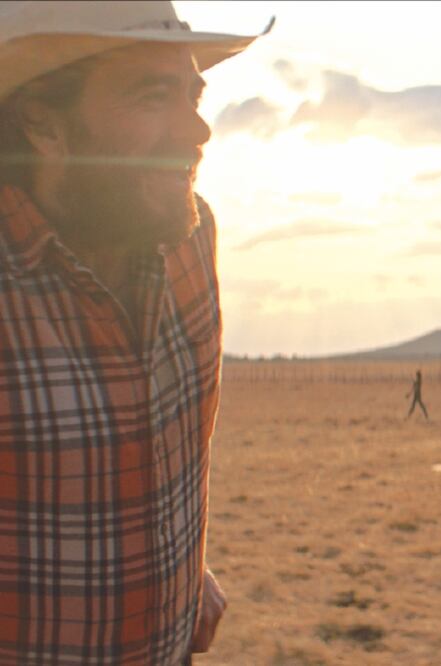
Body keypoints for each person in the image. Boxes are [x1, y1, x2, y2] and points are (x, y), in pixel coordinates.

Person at [0, 2, 270, 663]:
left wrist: (181, 574)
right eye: (153, 95)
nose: (198, 127)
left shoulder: (188, 233)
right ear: (42, 122)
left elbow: (156, 443)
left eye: (192, 92)